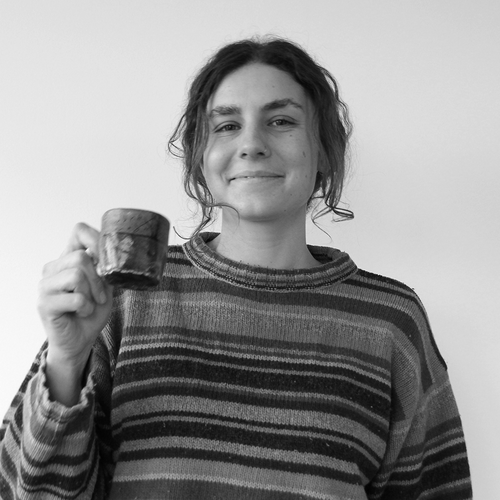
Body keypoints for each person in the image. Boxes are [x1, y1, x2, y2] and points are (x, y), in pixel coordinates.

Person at [0, 36, 472, 500]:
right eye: (226, 126)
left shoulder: (392, 322)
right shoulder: (121, 299)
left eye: (281, 121)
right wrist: (66, 362)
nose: (251, 144)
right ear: (200, 158)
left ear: (325, 150)